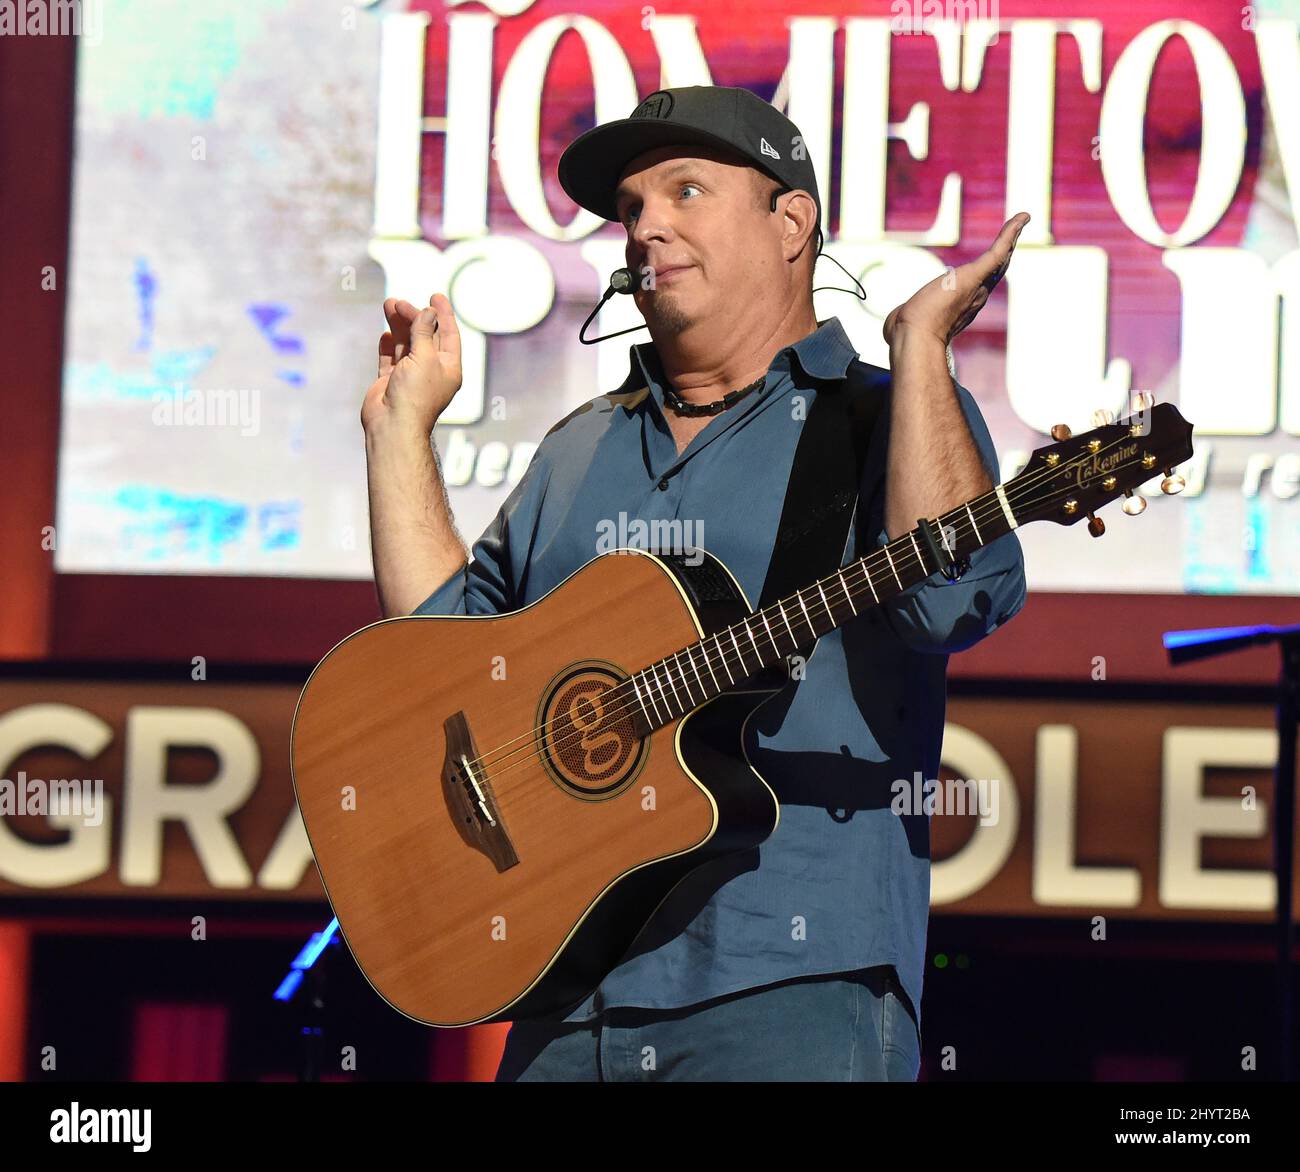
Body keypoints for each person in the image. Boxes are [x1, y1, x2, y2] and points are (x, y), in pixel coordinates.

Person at [362, 85, 1027, 1081]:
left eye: (683, 190)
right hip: (568, 994)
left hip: (791, 987)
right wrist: (397, 434)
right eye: (631, 207)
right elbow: (442, 661)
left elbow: (950, 598)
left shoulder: (882, 418)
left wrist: (920, 346)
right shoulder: (580, 447)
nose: (645, 227)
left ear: (790, 221)